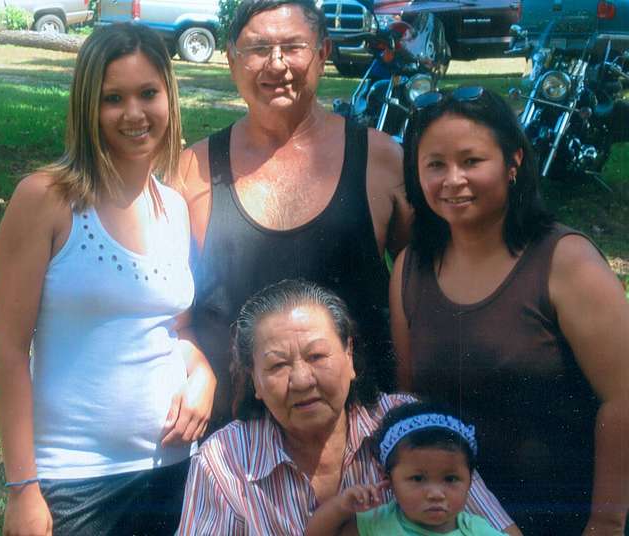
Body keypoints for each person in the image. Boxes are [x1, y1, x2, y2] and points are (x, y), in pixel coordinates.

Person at [0, 23, 215, 536]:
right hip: (73, 480)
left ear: (169, 96)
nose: (134, 113)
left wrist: (204, 375)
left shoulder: (174, 207)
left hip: (174, 471)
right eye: (113, 98)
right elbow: (8, 352)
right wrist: (23, 488)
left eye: (148, 93)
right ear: (87, 107)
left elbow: (176, 330)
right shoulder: (46, 200)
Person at [390, 86, 629, 535]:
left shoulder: (566, 262)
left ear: (513, 162)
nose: (453, 179)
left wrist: (607, 521)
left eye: (471, 161)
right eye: (435, 164)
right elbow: (409, 402)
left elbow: (623, 399)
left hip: (562, 520)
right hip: (450, 521)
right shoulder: (410, 268)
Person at [177, 0, 412, 429]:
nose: (276, 63)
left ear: (322, 53)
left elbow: (428, 285)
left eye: (293, 46)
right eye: (258, 48)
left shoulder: (380, 160)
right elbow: (165, 311)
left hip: (363, 435)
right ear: (231, 59)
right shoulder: (191, 171)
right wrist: (195, 368)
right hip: (235, 442)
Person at [177, 279, 521, 535]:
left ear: (349, 355)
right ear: (254, 380)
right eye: (278, 365)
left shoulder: (411, 426)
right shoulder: (223, 462)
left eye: (316, 356)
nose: (302, 380)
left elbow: (497, 527)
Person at [306, 401, 507, 536]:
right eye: (418, 479)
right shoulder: (377, 523)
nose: (436, 494)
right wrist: (341, 507)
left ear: (470, 480)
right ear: (388, 479)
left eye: (450, 479)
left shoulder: (478, 531)